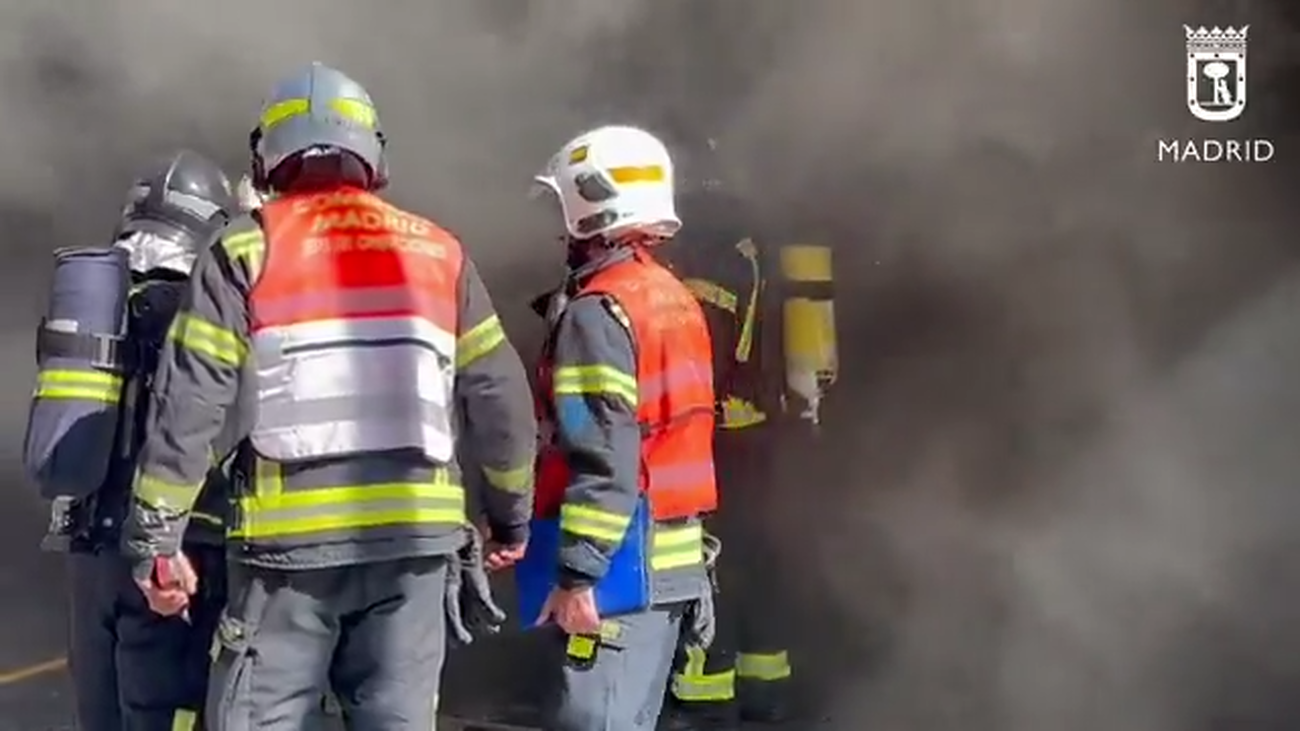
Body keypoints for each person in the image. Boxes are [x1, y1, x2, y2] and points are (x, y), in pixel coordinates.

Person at [119, 62, 537, 731]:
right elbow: (499, 396)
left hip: (287, 557)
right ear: (371, 150)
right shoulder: (441, 252)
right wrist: (511, 517)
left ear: (267, 157)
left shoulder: (244, 250)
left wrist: (156, 540)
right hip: (413, 547)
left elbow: (190, 402)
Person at [23, 150, 238, 731]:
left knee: (100, 712)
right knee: (167, 717)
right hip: (171, 558)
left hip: (88, 555)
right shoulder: (201, 310)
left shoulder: (94, 308)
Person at [527, 124, 719, 731]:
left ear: (591, 205)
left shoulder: (597, 314)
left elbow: (603, 453)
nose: (559, 228)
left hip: (618, 574)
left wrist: (579, 574)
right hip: (669, 566)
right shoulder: (668, 296)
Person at [657, 140, 838, 727]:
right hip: (760, 435)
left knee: (705, 561)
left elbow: (701, 347)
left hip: (715, 439)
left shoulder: (705, 250)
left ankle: (701, 692)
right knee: (757, 561)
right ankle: (765, 692)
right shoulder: (753, 242)